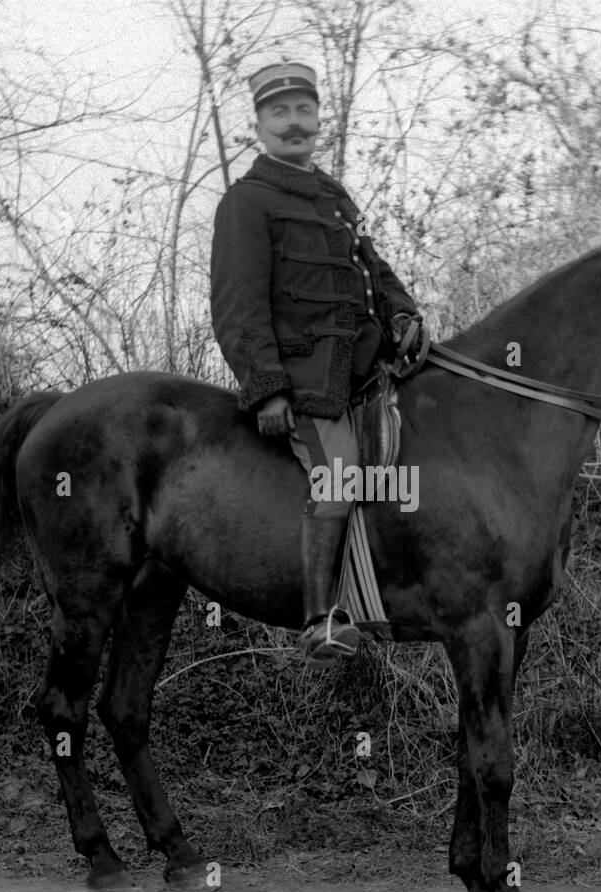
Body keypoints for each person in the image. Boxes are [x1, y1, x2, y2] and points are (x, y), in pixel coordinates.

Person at [210, 61, 424, 667]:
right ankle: (320, 619)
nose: (294, 122)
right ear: (258, 124)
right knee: (341, 474)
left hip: (369, 366)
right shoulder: (246, 202)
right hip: (308, 382)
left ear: (317, 118)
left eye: (303, 109)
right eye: (279, 112)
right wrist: (268, 388)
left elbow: (374, 273)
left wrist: (404, 315)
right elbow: (237, 307)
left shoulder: (335, 198)